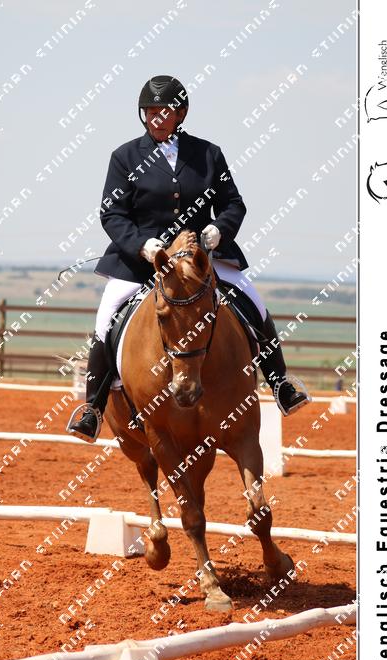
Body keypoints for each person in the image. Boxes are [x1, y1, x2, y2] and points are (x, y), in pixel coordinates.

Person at [68, 75, 310, 442]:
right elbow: (112, 213)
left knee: (255, 305)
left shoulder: (208, 154)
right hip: (142, 261)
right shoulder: (124, 157)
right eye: (150, 111)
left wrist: (218, 230)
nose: (156, 118)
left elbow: (233, 203)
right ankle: (93, 408)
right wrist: (143, 245)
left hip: (201, 261)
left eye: (164, 111)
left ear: (180, 113)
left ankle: (281, 384)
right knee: (106, 319)